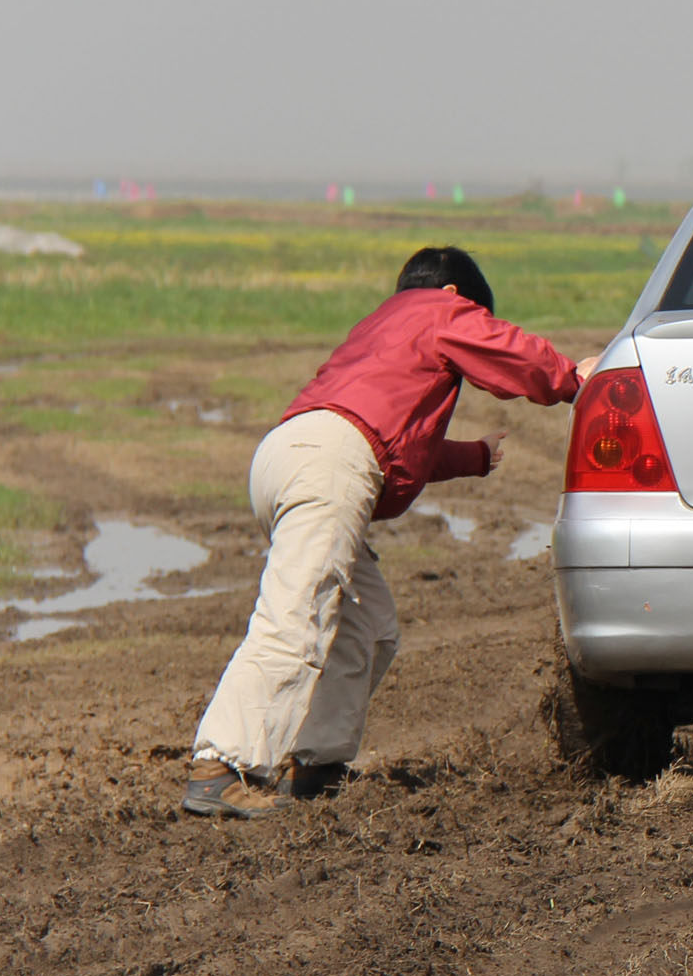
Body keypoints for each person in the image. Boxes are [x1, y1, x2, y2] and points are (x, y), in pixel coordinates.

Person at [181, 248, 590, 817]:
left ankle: (317, 764)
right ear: (453, 296)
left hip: (295, 453)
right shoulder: (437, 310)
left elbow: (401, 442)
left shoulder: (382, 323)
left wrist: (472, 456)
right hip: (330, 464)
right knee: (295, 617)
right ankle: (218, 766)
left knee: (368, 627)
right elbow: (505, 350)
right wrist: (572, 379)